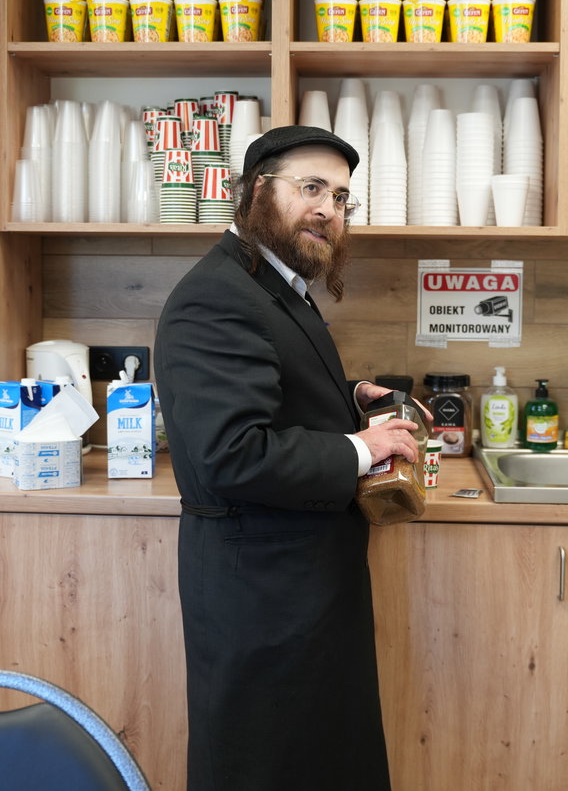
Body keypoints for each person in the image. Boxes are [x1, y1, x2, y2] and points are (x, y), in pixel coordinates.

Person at [155, 125, 422, 791]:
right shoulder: (216, 295)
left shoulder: (272, 284)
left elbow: (271, 391)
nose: (329, 209)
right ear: (255, 192)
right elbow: (232, 453)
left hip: (299, 591)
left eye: (341, 197)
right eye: (311, 188)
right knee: (264, 768)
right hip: (260, 602)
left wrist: (347, 398)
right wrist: (362, 446)